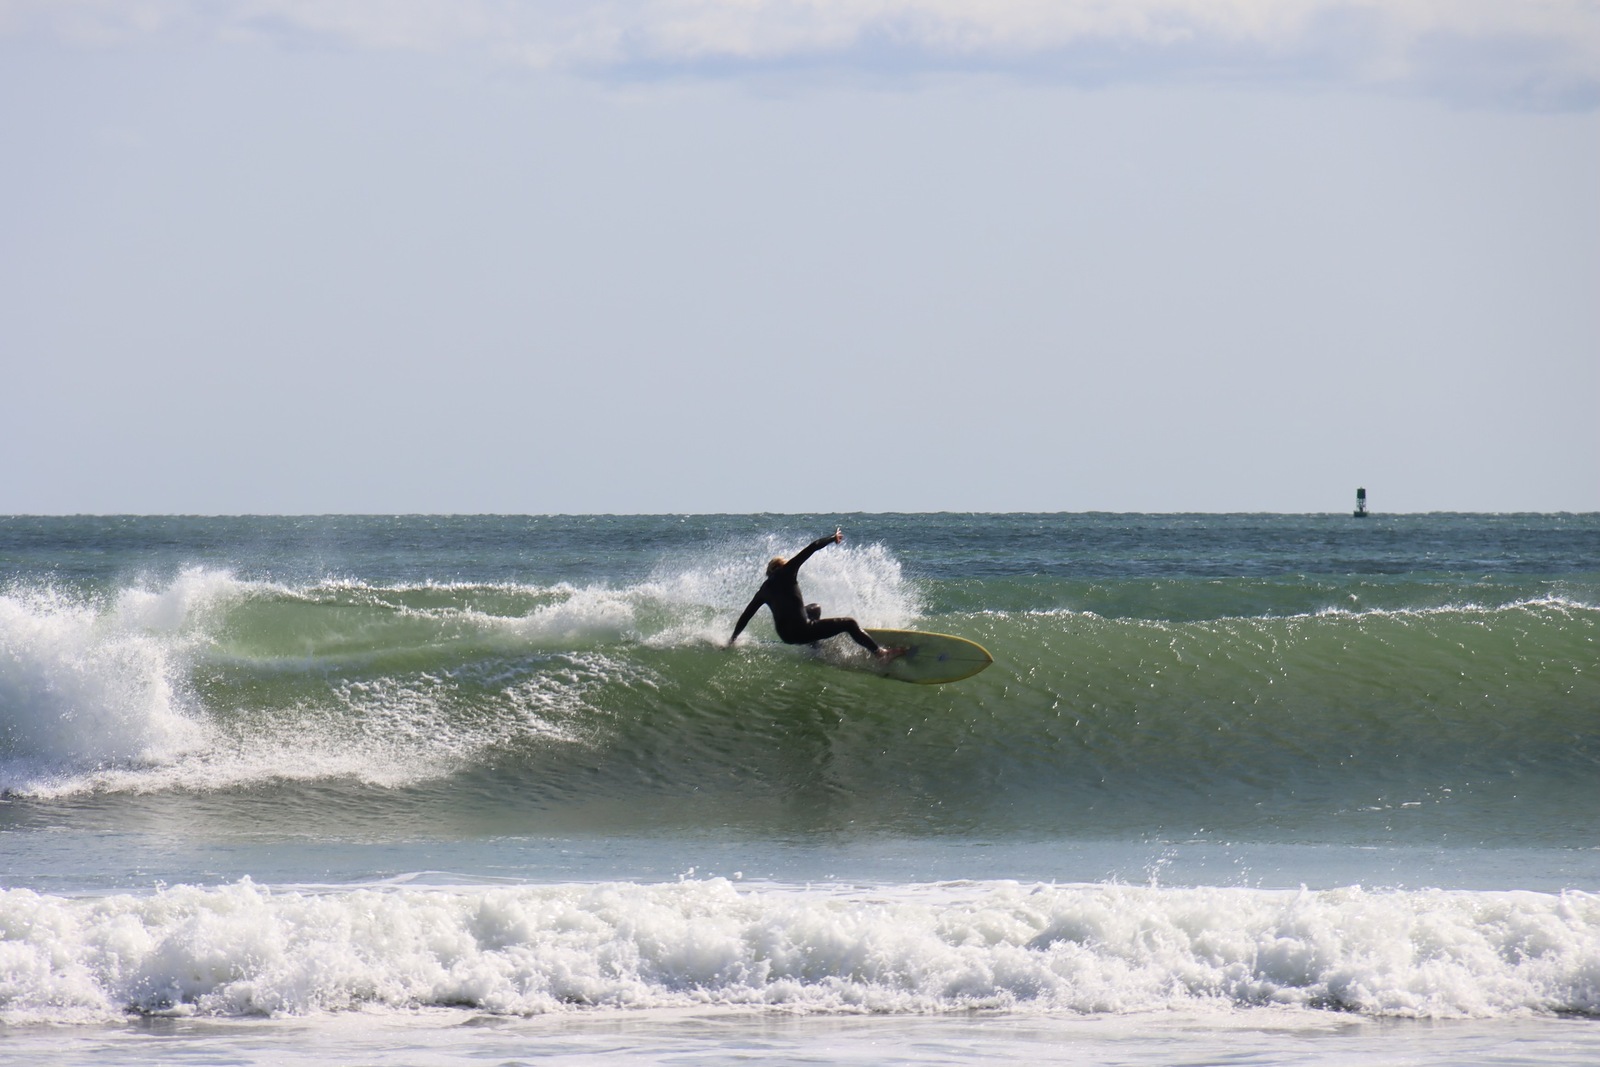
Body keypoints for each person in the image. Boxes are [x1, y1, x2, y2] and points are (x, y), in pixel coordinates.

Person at [727, 528, 902, 660]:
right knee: (849, 624)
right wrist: (833, 538)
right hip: (802, 630)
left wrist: (732, 640)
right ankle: (881, 654)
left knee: (815, 608)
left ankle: (815, 649)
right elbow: (812, 547)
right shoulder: (787, 571)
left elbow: (745, 616)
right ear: (782, 566)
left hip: (786, 636)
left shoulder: (763, 590)